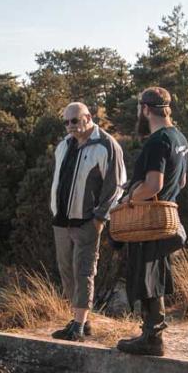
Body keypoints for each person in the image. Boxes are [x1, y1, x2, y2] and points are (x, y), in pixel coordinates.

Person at [116, 86, 188, 357]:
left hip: (147, 220)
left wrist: (130, 198)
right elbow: (181, 180)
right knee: (154, 274)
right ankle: (152, 334)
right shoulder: (179, 137)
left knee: (145, 276)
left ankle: (152, 338)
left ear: (145, 109)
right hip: (166, 219)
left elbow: (153, 185)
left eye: (140, 109)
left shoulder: (157, 140)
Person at [50, 102, 126, 341]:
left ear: (88, 117)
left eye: (74, 120)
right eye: (66, 122)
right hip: (62, 220)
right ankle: (81, 318)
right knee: (66, 271)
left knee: (83, 270)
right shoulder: (64, 145)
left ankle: (79, 327)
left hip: (87, 221)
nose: (69, 126)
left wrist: (100, 217)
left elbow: (116, 185)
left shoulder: (106, 145)